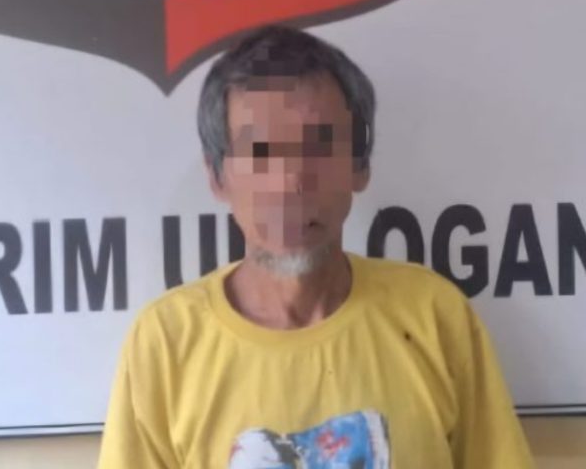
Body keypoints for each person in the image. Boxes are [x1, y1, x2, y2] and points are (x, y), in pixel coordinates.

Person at [97, 24, 534, 468]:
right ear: (217, 177)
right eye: (260, 152)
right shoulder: (164, 343)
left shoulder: (435, 317)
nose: (291, 182)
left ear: (359, 166)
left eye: (319, 147)